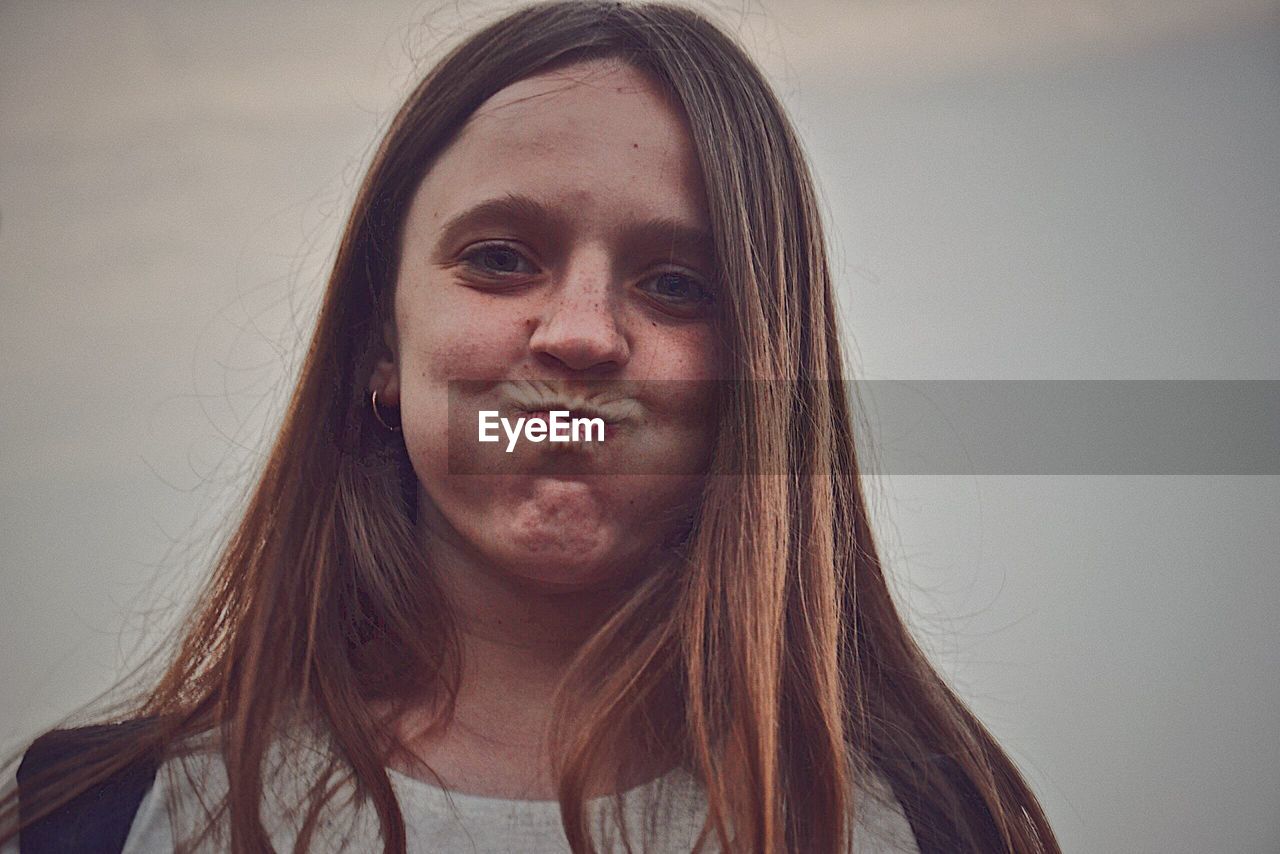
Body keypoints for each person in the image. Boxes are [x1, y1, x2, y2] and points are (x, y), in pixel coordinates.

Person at [0, 2, 1060, 852]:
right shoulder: (96, 820)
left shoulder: (930, 828)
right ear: (380, 344)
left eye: (679, 282)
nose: (582, 334)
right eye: (500, 257)